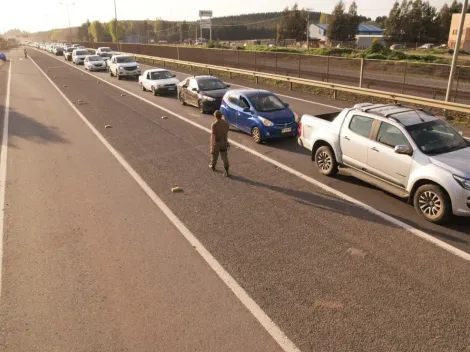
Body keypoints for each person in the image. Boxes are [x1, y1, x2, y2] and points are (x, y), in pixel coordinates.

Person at [210, 110, 230, 177]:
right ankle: (226, 171)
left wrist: (212, 148)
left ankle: (213, 166)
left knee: (215, 156)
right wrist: (227, 142)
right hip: (223, 142)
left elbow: (213, 137)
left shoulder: (214, 125)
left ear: (215, 116)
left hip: (217, 143)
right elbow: (226, 134)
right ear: (221, 116)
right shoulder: (226, 124)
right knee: (224, 157)